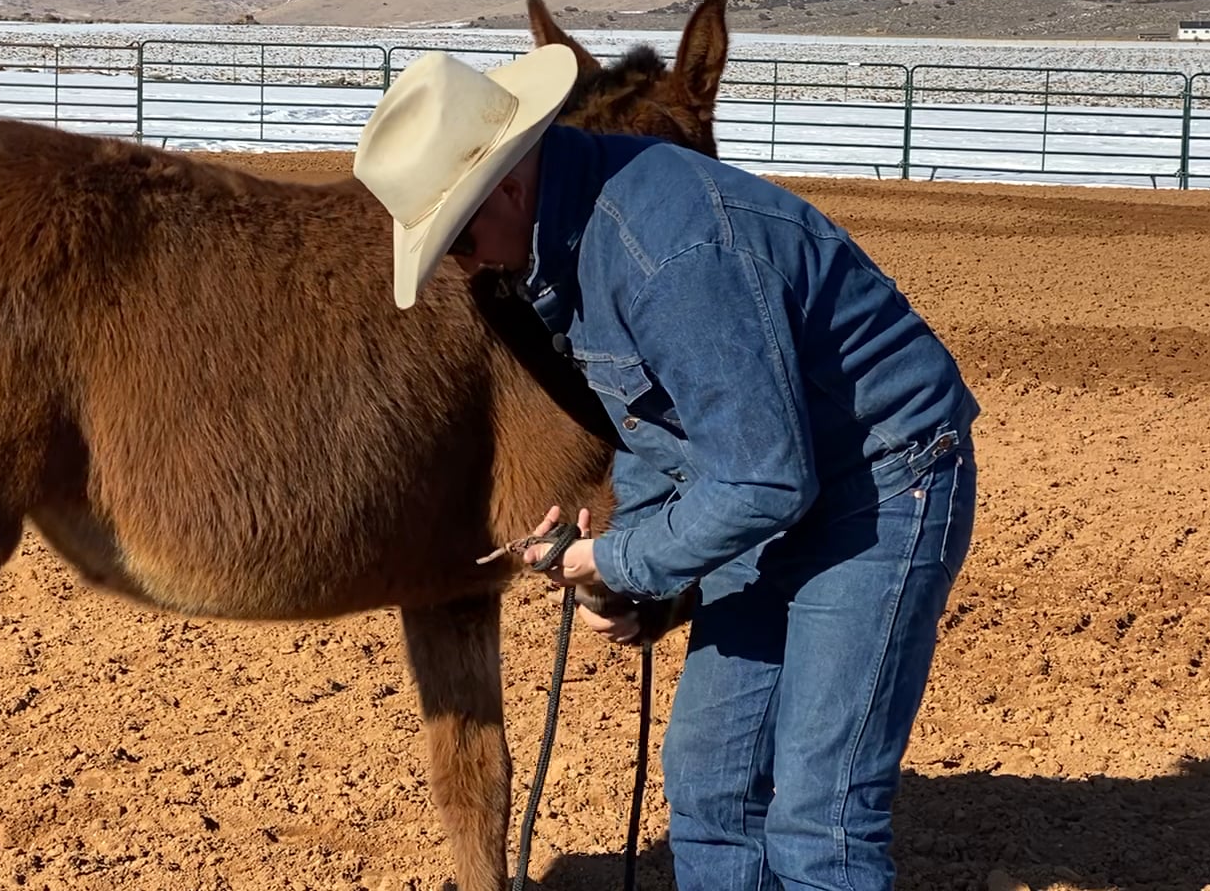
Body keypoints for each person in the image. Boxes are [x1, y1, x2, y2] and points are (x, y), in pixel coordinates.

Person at [351, 44, 980, 891]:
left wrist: (612, 560)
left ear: (504, 185)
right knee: (712, 783)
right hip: (778, 480)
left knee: (819, 815)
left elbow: (763, 478)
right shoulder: (561, 248)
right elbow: (658, 425)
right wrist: (647, 580)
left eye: (457, 238)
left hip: (880, 477)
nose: (463, 266)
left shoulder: (666, 251)